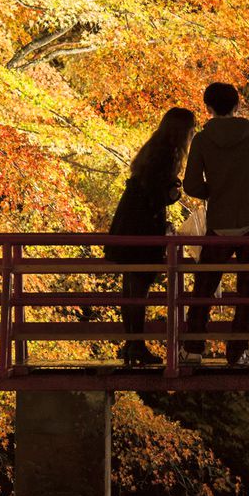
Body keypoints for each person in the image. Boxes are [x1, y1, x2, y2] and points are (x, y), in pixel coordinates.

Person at [181, 82, 249, 366]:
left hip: (219, 222)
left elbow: (191, 184)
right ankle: (237, 352)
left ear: (208, 108)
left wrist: (214, 190)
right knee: (248, 290)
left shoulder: (201, 139)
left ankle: (194, 348)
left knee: (205, 287)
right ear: (237, 106)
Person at [106, 106, 197, 366]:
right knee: (139, 288)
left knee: (131, 288)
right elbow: (158, 195)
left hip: (128, 222)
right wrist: (174, 192)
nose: (192, 133)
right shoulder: (168, 155)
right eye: (191, 129)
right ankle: (136, 346)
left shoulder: (153, 148)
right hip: (142, 228)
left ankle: (133, 344)